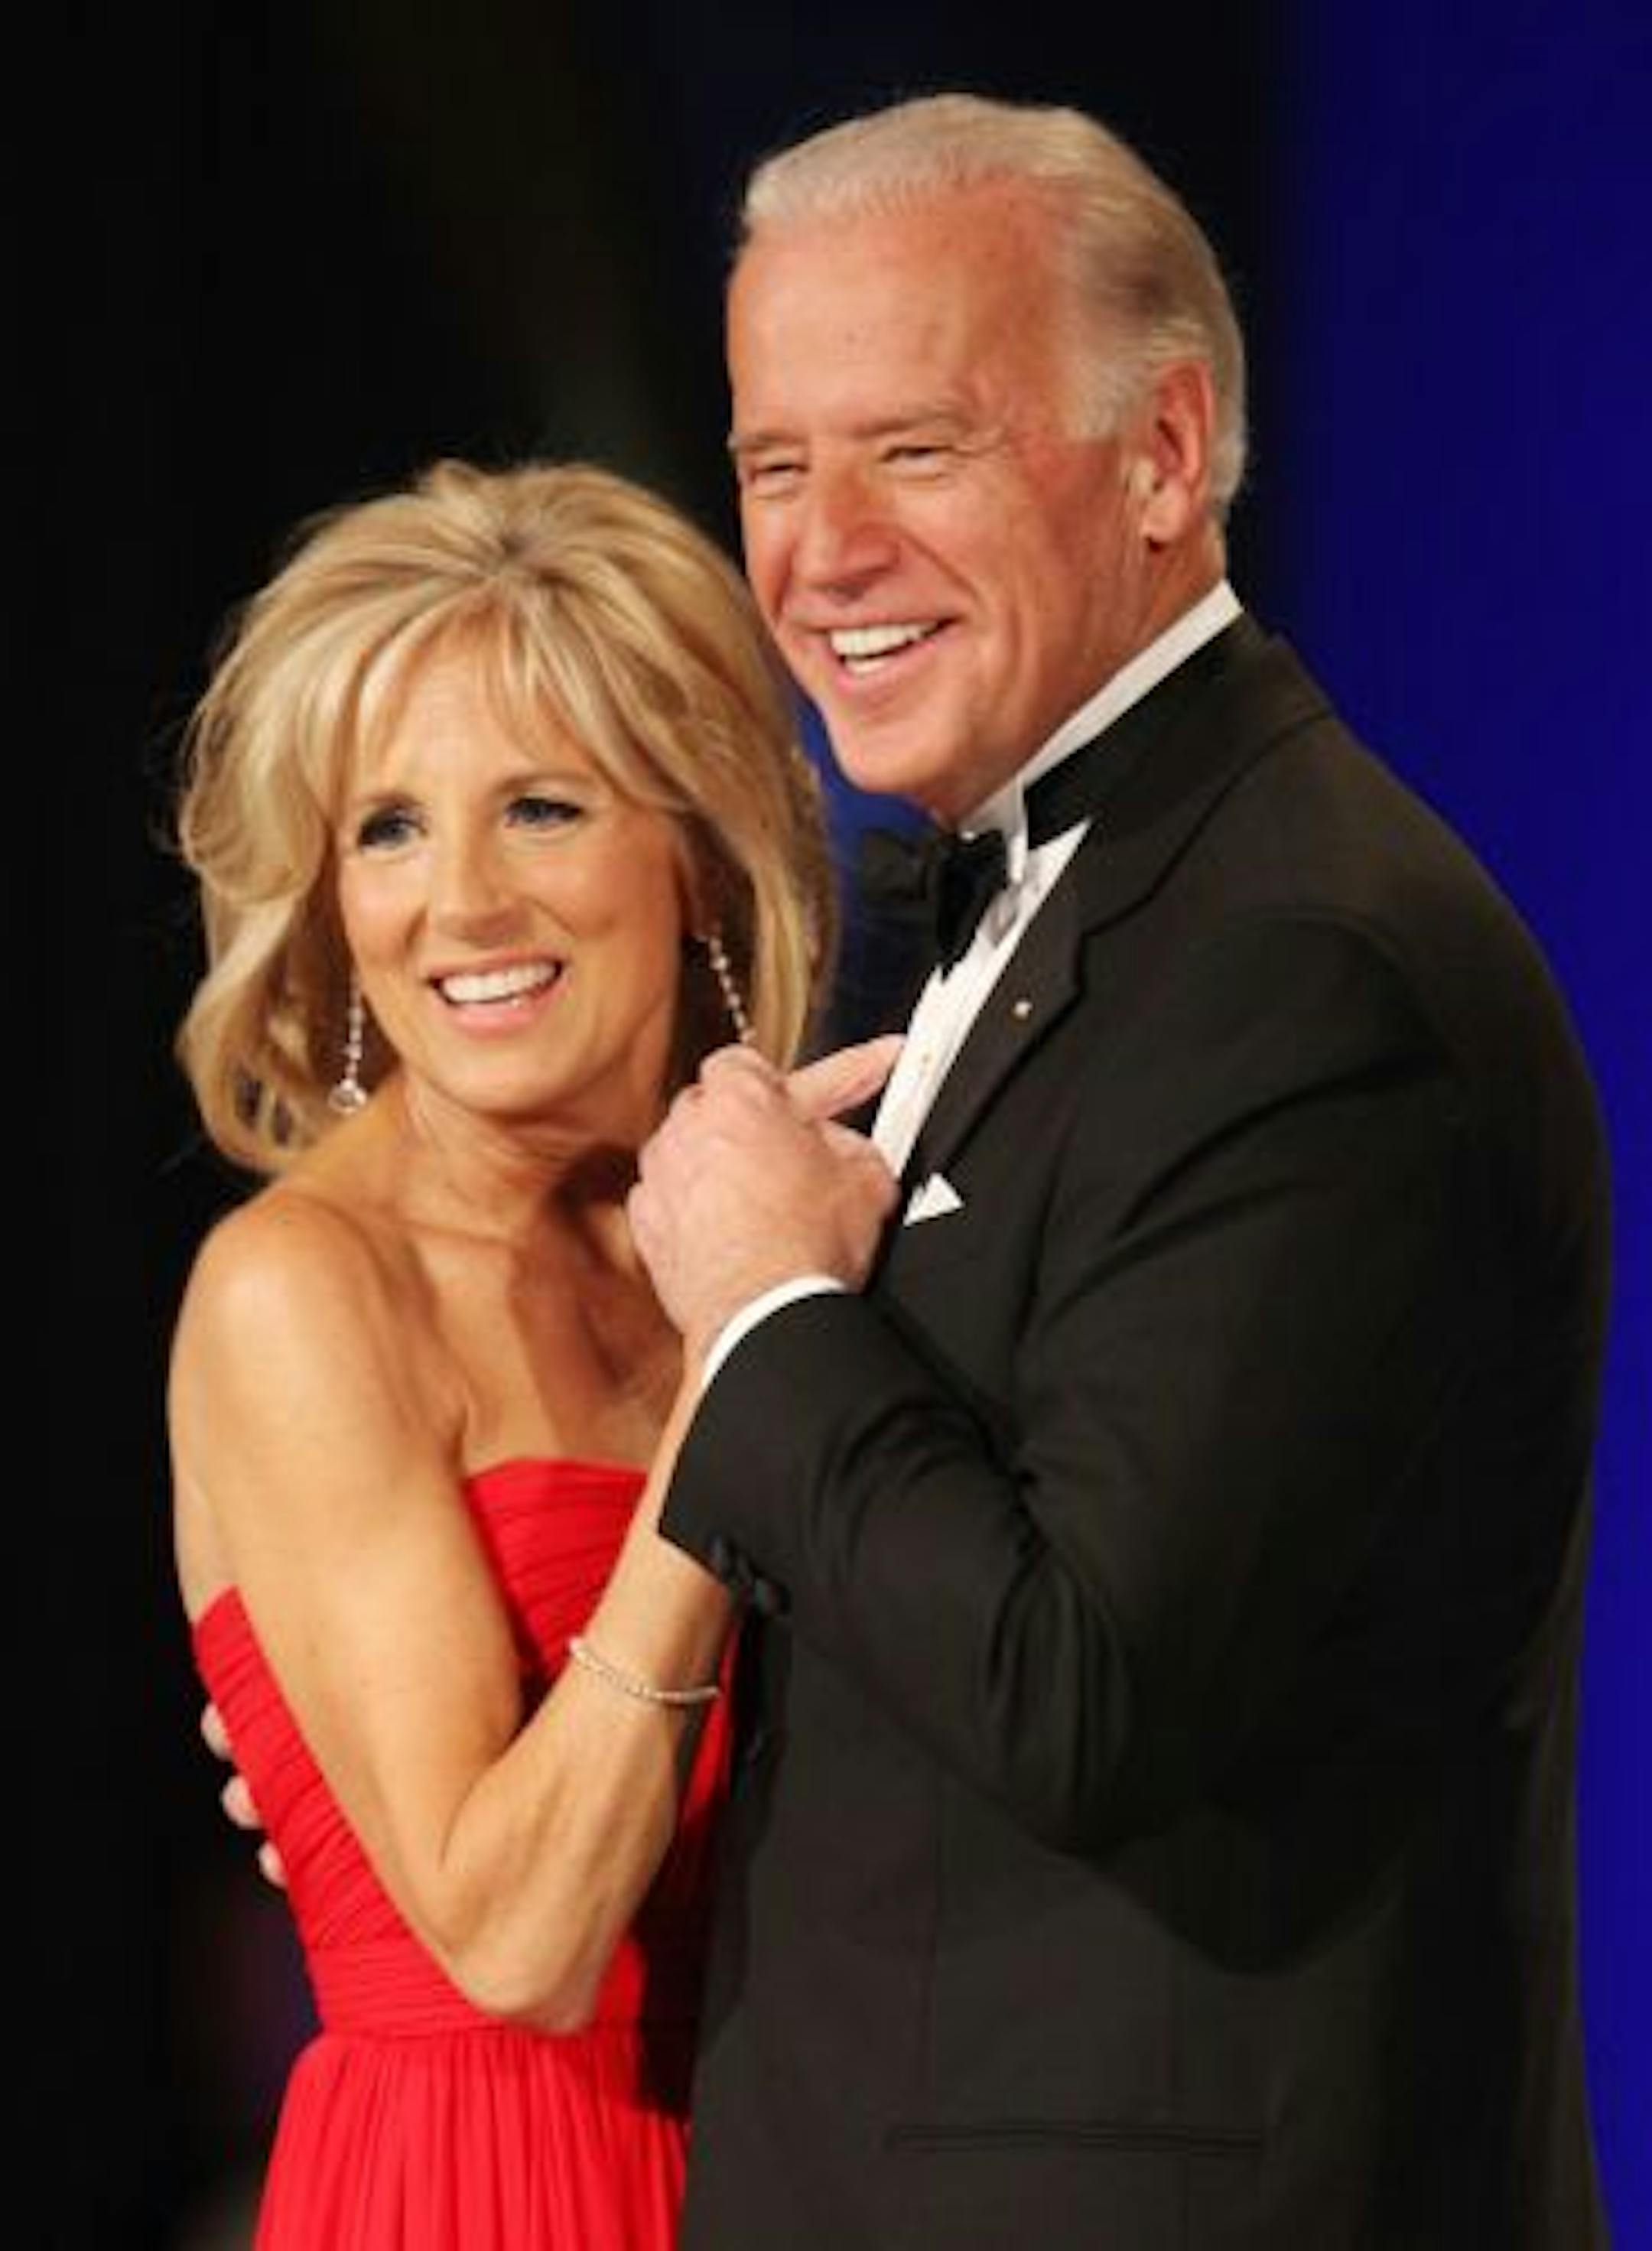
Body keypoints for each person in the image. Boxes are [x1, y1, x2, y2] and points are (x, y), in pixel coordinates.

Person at [624, 93, 1615, 2248]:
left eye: (914, 448)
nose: (819, 552)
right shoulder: (1083, 913)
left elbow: (1076, 1688)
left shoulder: (1298, 967)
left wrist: (774, 1309)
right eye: (774, 465)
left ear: (1164, 459)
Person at [167, 454, 896, 2248]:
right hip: (486, 2188)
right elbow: (511, 1941)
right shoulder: (302, 1286)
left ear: (699, 856)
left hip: (797, 2162)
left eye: (545, 809)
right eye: (390, 828)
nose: (463, 903)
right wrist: (752, 1364)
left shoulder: (779, 1228)